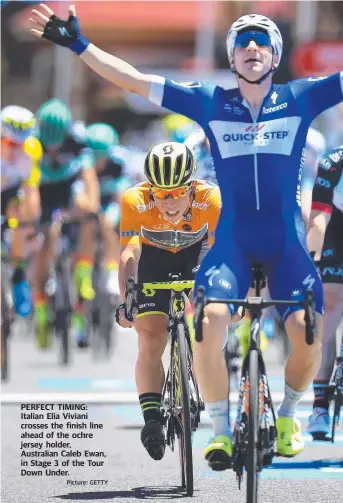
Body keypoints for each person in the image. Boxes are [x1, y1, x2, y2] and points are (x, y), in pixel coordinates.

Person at [30, 5, 343, 467]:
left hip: (286, 243)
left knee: (306, 331)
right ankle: (219, 430)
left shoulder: (300, 98)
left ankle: (290, 413)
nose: (251, 46)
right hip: (232, 242)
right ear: (231, 58)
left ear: (276, 55)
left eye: (261, 40)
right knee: (209, 322)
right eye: (242, 41)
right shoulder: (211, 102)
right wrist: (80, 44)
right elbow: (134, 80)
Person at [116, 141, 221, 460]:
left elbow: (221, 253)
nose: (170, 201)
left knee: (210, 317)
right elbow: (129, 253)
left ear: (192, 187)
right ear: (150, 191)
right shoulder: (134, 201)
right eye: (162, 194)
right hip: (153, 261)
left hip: (197, 256)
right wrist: (128, 300)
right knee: (150, 336)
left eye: (178, 193)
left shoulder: (211, 199)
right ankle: (151, 420)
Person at [30, 98, 99, 348]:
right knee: (43, 242)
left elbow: (89, 178)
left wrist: (91, 208)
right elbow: (28, 184)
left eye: (56, 145)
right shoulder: (33, 140)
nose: (53, 151)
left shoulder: (78, 138)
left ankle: (83, 271)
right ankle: (40, 308)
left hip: (69, 187)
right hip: (43, 189)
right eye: (49, 147)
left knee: (88, 215)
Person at [307, 146, 343, 439]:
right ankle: (319, 404)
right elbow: (318, 217)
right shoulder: (333, 162)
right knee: (331, 302)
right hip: (336, 233)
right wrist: (312, 258)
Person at [1, 105, 42, 317]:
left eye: (20, 144)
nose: (14, 149)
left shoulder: (30, 151)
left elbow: (31, 190)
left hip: (11, 194)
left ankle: (18, 276)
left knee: (21, 215)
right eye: (9, 142)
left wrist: (29, 223)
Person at [86, 122, 132, 295]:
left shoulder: (118, 162)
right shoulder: (81, 162)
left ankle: (112, 267)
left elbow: (122, 194)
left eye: (102, 156)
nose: (98, 161)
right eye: (94, 156)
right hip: (91, 203)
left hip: (109, 202)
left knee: (107, 222)